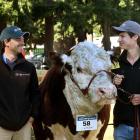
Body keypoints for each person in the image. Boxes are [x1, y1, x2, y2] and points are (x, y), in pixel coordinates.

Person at [0, 26, 40, 140]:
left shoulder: (29, 67)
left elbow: (35, 94)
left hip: (24, 127)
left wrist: (32, 117)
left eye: (23, 39)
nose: (22, 42)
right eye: (18, 39)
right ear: (6, 42)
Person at [112, 20, 140, 140]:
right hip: (121, 128)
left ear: (135, 37)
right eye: (119, 36)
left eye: (122, 36)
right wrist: (113, 83)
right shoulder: (115, 63)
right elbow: (108, 93)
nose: (119, 40)